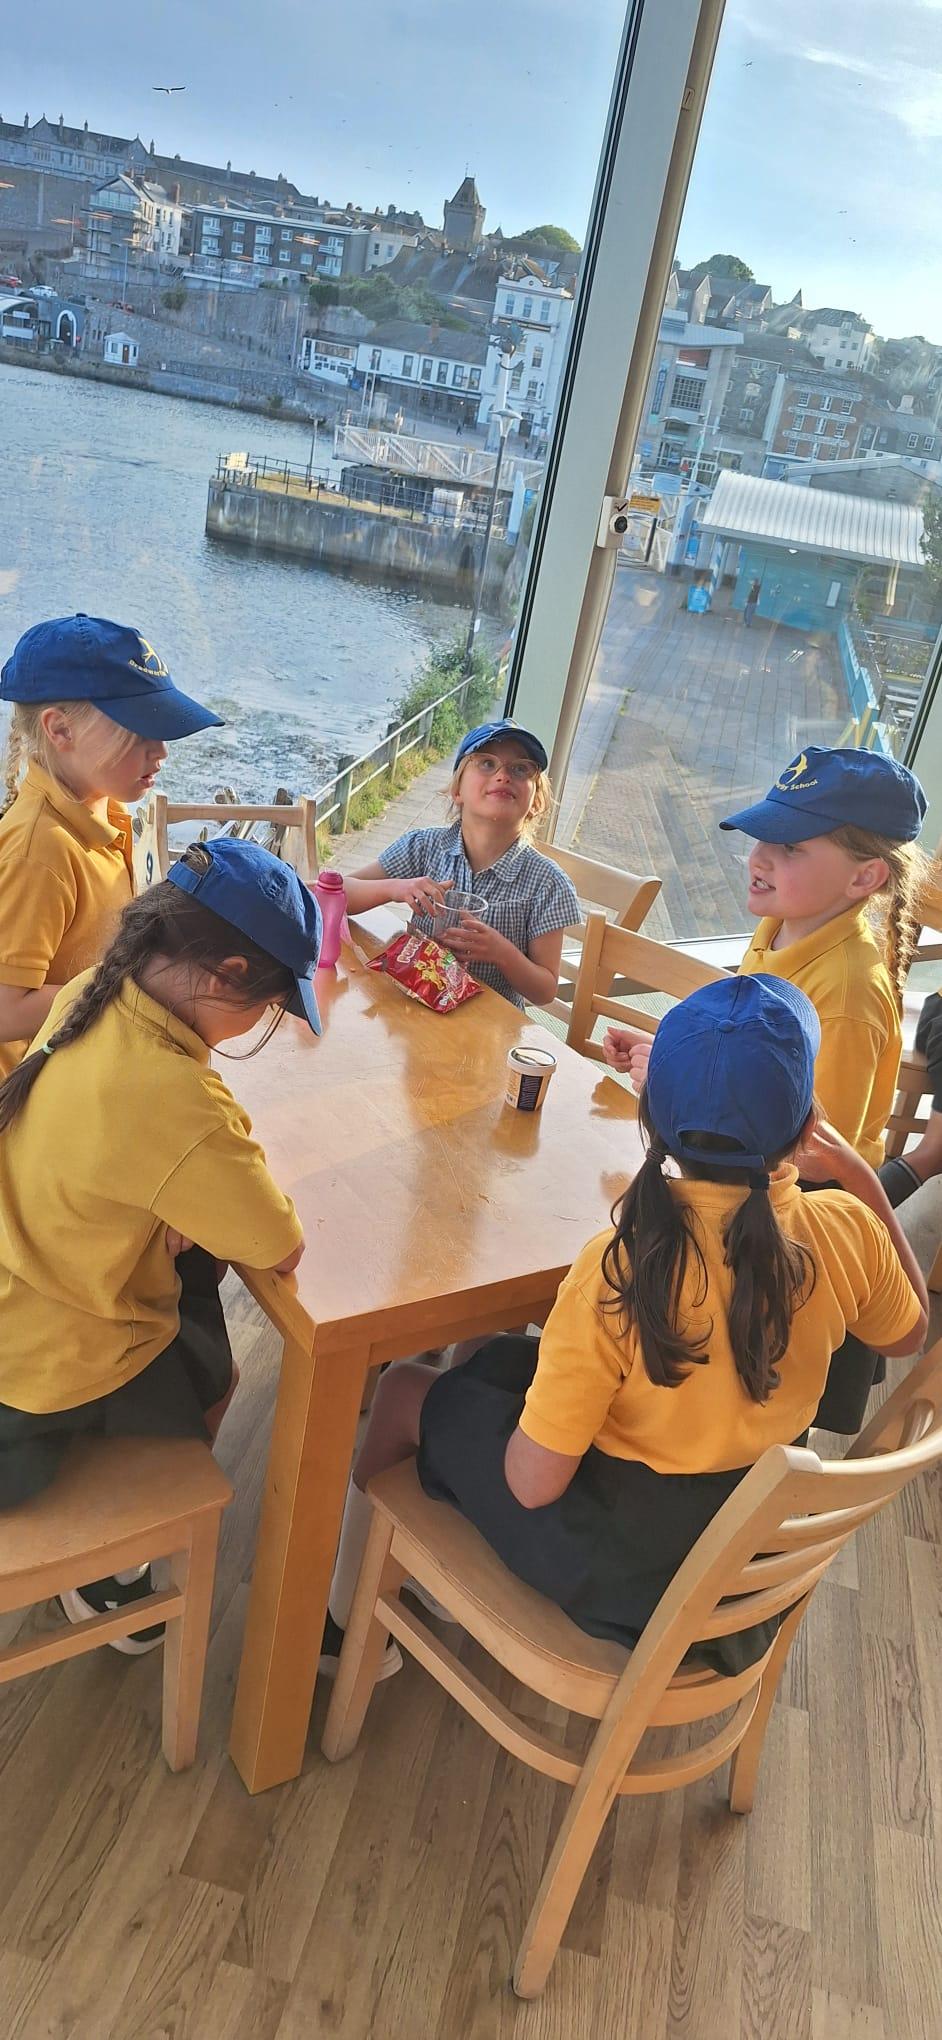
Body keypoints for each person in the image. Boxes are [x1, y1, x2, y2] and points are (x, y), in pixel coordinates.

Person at [320, 975, 926, 1680]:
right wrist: (858, 1173)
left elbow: (532, 1486)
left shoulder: (619, 1270)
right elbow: (909, 1336)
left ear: (651, 1117)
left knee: (405, 1391)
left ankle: (344, 1632)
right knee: (494, 1360)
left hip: (630, 1574)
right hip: (741, 1559)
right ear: (802, 1131)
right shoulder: (847, 1230)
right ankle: (434, 1575)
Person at [0, 837, 321, 1651]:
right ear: (229, 975)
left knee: (197, 1274)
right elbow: (278, 1242)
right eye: (268, 1009)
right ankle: (114, 1562)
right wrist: (195, 1170)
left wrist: (177, 1185)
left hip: (19, 1292)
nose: (261, 1025)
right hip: (44, 1370)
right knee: (218, 1368)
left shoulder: (91, 990)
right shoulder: (174, 1098)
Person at [603, 746, 929, 1434]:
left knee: (752, 1393)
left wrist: (670, 1089)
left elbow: (804, 1149)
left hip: (787, 1226)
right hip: (743, 1195)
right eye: (761, 839)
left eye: (789, 847)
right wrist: (672, 1056)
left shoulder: (847, 994)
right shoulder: (779, 927)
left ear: (864, 876)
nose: (759, 858)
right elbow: (754, 1065)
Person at [0, 613, 223, 1079]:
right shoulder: (40, 850)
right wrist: (130, 988)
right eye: (139, 730)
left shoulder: (107, 809)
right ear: (60, 730)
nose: (161, 750)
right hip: (32, 1095)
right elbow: (6, 1010)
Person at [340, 719, 580, 1008]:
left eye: (520, 769)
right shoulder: (424, 846)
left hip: (489, 1025)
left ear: (536, 801)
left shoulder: (548, 883)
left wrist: (502, 953)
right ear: (457, 790)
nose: (503, 775)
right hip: (415, 1003)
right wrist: (394, 888)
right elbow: (337, 895)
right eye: (487, 763)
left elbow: (544, 991)